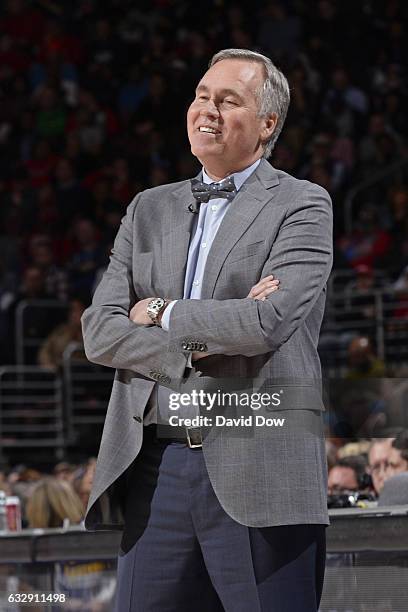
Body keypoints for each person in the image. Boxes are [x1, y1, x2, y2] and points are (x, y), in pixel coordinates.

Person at [81, 48, 333, 612]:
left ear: (268, 124)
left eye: (229, 100)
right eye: (201, 95)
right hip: (156, 466)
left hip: (259, 460)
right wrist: (188, 350)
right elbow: (99, 331)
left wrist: (162, 311)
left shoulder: (303, 204)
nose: (208, 109)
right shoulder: (147, 209)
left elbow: (265, 322)